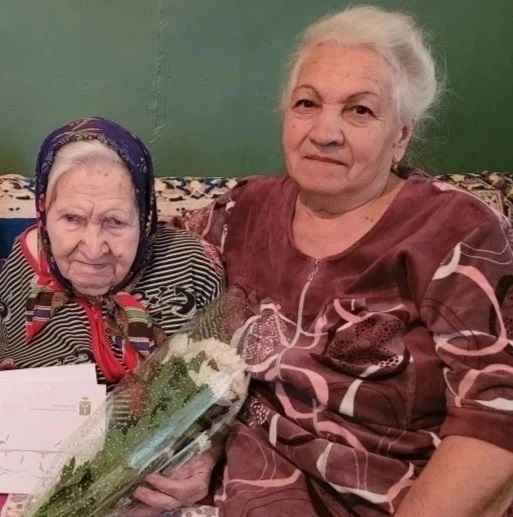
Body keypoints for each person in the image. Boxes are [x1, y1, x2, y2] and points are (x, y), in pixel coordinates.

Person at [131, 5, 513, 517]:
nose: (324, 132)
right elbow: (124, 253)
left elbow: (496, 417)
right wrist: (202, 445)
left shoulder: (457, 231)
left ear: (401, 135)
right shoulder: (244, 211)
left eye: (360, 111)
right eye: (307, 103)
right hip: (240, 493)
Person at [0, 116, 224, 382]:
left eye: (115, 221)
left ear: (143, 218)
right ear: (44, 213)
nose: (94, 249)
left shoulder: (193, 264)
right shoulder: (21, 266)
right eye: (72, 218)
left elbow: (225, 379)